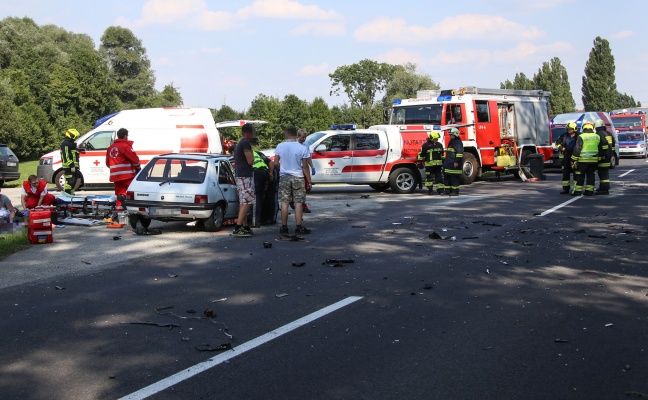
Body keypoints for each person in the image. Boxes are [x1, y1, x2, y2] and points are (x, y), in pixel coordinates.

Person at [273, 126, 312, 235]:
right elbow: (305, 166)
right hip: (298, 177)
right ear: (296, 134)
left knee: (284, 202)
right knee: (298, 202)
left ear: (286, 134)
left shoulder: (280, 146)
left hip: (284, 177)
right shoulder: (302, 148)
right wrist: (309, 181)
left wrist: (283, 167)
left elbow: (275, 163)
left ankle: (284, 227)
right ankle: (299, 226)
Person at [106, 128, 141, 213]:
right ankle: (133, 213)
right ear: (125, 136)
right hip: (127, 176)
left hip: (116, 177)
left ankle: (120, 215)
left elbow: (107, 163)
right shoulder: (125, 146)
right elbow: (135, 160)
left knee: (119, 196)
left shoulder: (110, 148)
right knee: (132, 194)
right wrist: (138, 168)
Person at [232, 123, 256, 237]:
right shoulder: (246, 143)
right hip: (245, 175)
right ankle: (238, 227)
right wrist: (253, 157)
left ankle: (245, 227)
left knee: (243, 202)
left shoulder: (240, 143)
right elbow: (250, 161)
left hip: (239, 175)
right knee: (247, 202)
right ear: (248, 132)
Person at [571, 122, 603, 196]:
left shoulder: (581, 136)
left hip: (583, 160)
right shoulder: (597, 136)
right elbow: (600, 148)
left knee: (580, 176)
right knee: (591, 176)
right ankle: (589, 191)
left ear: (584, 128)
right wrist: (600, 158)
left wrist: (573, 159)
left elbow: (577, 149)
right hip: (594, 161)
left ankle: (578, 191)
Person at [555, 122, 579, 194]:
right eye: (568, 129)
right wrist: (561, 148)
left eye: (571, 129)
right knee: (565, 173)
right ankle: (566, 189)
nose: (569, 130)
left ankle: (576, 188)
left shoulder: (578, 136)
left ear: (574, 129)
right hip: (566, 155)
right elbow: (557, 143)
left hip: (575, 156)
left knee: (576, 173)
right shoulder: (563, 136)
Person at [252, 150, 274, 227]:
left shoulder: (243, 154)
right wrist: (271, 174)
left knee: (255, 198)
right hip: (264, 173)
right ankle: (260, 220)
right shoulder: (258, 153)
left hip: (255, 173)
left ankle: (255, 222)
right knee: (260, 198)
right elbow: (271, 163)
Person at [594, 119, 614, 195]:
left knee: (602, 174)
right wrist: (612, 155)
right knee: (604, 173)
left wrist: (601, 156)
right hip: (608, 156)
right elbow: (613, 146)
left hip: (603, 157)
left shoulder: (599, 134)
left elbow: (603, 145)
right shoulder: (609, 133)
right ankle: (603, 188)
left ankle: (604, 189)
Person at [296, 128, 314, 213]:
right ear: (298, 136)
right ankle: (298, 204)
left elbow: (308, 157)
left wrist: (312, 166)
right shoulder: (294, 145)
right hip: (296, 169)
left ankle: (303, 204)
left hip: (304, 168)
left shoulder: (306, 145)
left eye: (305, 138)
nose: (304, 139)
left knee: (304, 188)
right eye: (302, 137)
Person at [443, 128, 463, 196]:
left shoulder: (457, 142)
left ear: (455, 134)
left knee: (454, 179)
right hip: (449, 163)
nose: (450, 136)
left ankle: (455, 191)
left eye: (451, 135)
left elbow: (459, 153)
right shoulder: (452, 142)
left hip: (454, 164)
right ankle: (447, 191)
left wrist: (456, 162)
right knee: (447, 178)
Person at [60, 128, 80, 195]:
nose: (75, 138)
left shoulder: (71, 144)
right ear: (71, 135)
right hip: (69, 166)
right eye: (75, 136)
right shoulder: (65, 144)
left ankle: (71, 194)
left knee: (73, 181)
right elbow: (66, 156)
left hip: (73, 166)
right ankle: (67, 194)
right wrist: (71, 165)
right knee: (70, 181)